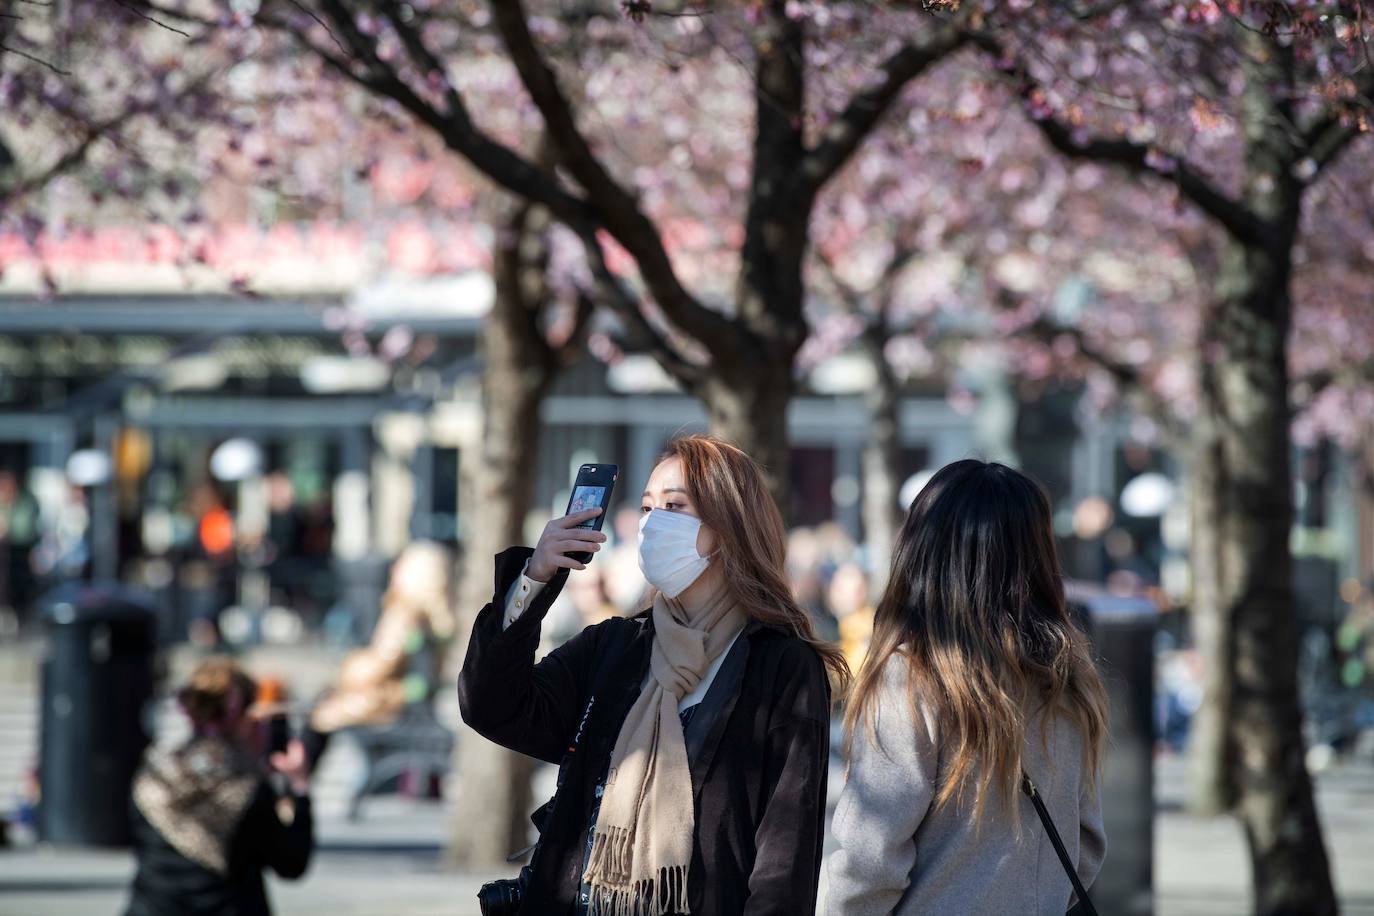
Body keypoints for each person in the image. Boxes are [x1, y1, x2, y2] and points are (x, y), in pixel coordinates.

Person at [459, 435, 846, 915]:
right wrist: (533, 583)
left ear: (727, 524)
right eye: (646, 507)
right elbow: (492, 706)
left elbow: (784, 859)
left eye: (673, 506)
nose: (652, 523)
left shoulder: (782, 666)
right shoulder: (616, 646)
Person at [825, 460, 1109, 916]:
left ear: (921, 552)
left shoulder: (912, 675)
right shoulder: (1066, 677)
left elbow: (869, 858)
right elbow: (1087, 843)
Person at [126, 657, 313, 916]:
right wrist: (299, 788)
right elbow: (291, 864)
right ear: (242, 716)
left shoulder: (153, 774)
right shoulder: (246, 789)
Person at [308, 541, 454, 743]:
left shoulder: (404, 612)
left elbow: (379, 666)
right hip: (409, 706)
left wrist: (347, 668)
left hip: (389, 707)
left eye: (400, 565)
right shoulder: (438, 618)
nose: (393, 570)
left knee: (319, 717)